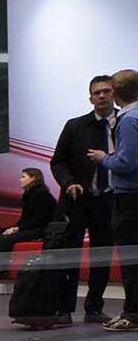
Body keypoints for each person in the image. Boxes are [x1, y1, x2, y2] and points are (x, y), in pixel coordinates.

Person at [50, 76, 120, 321]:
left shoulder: (127, 124)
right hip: (77, 200)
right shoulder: (75, 126)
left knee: (101, 256)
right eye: (97, 93)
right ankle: (64, 310)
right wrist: (69, 183)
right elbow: (58, 162)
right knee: (70, 255)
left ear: (114, 94)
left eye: (106, 91)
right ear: (90, 99)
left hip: (110, 201)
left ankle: (94, 308)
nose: (102, 96)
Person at [90, 69, 138, 331]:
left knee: (131, 260)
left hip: (129, 199)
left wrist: (103, 158)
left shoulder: (128, 120)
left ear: (116, 93)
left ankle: (133, 314)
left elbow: (125, 163)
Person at [0, 168, 58, 255]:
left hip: (40, 230)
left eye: (23, 177)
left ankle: (0, 263)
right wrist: (14, 228)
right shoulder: (27, 195)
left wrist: (17, 229)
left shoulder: (43, 195)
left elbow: (39, 220)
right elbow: (24, 218)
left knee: (3, 240)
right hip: (29, 228)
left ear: (33, 178)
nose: (20, 179)